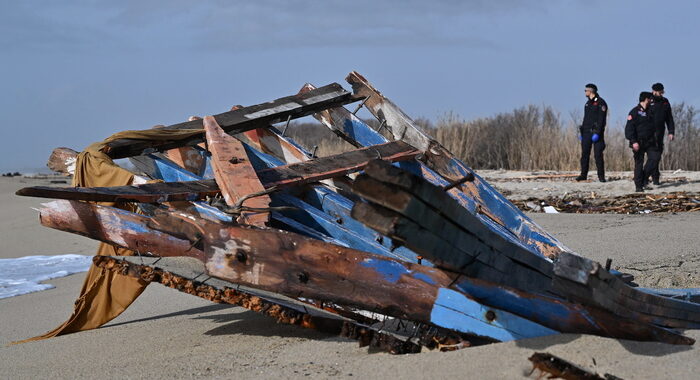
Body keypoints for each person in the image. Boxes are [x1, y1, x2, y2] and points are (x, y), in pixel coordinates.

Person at [625, 92, 660, 192]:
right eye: (650, 99)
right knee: (639, 164)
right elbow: (629, 129)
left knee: (655, 158)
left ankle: (644, 178)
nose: (651, 101)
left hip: (650, 142)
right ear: (646, 99)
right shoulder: (634, 112)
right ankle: (639, 186)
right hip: (638, 142)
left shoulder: (651, 111)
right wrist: (633, 141)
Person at [576, 83, 608, 182]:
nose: (585, 92)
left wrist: (598, 133)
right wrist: (582, 133)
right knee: (584, 154)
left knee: (598, 155)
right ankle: (583, 174)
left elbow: (601, 120)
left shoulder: (601, 103)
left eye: (586, 90)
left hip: (596, 133)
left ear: (591, 91)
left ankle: (601, 177)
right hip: (586, 133)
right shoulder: (587, 103)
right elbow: (586, 119)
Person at [648, 82, 675, 185]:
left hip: (660, 133)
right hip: (649, 133)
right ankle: (648, 177)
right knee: (652, 157)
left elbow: (669, 118)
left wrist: (671, 131)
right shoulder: (648, 100)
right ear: (654, 91)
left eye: (662, 92)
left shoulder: (665, 102)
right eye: (660, 92)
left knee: (657, 156)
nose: (661, 94)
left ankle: (655, 178)